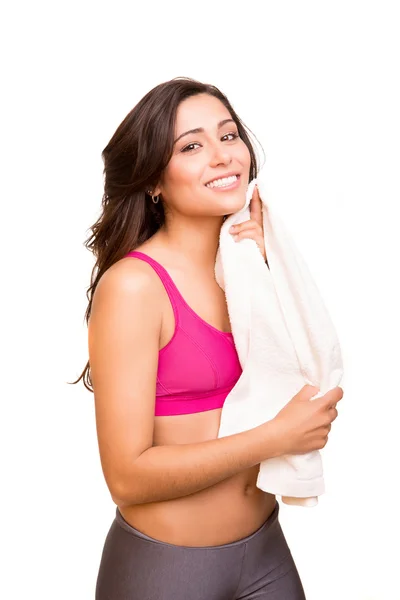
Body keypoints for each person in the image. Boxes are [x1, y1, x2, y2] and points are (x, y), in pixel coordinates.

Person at [71, 77, 343, 599]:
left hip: (266, 555)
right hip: (164, 570)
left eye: (229, 135)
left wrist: (270, 266)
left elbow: (312, 367)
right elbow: (126, 476)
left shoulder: (248, 267)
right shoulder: (135, 287)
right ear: (153, 180)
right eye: (191, 146)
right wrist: (275, 439)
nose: (222, 156)